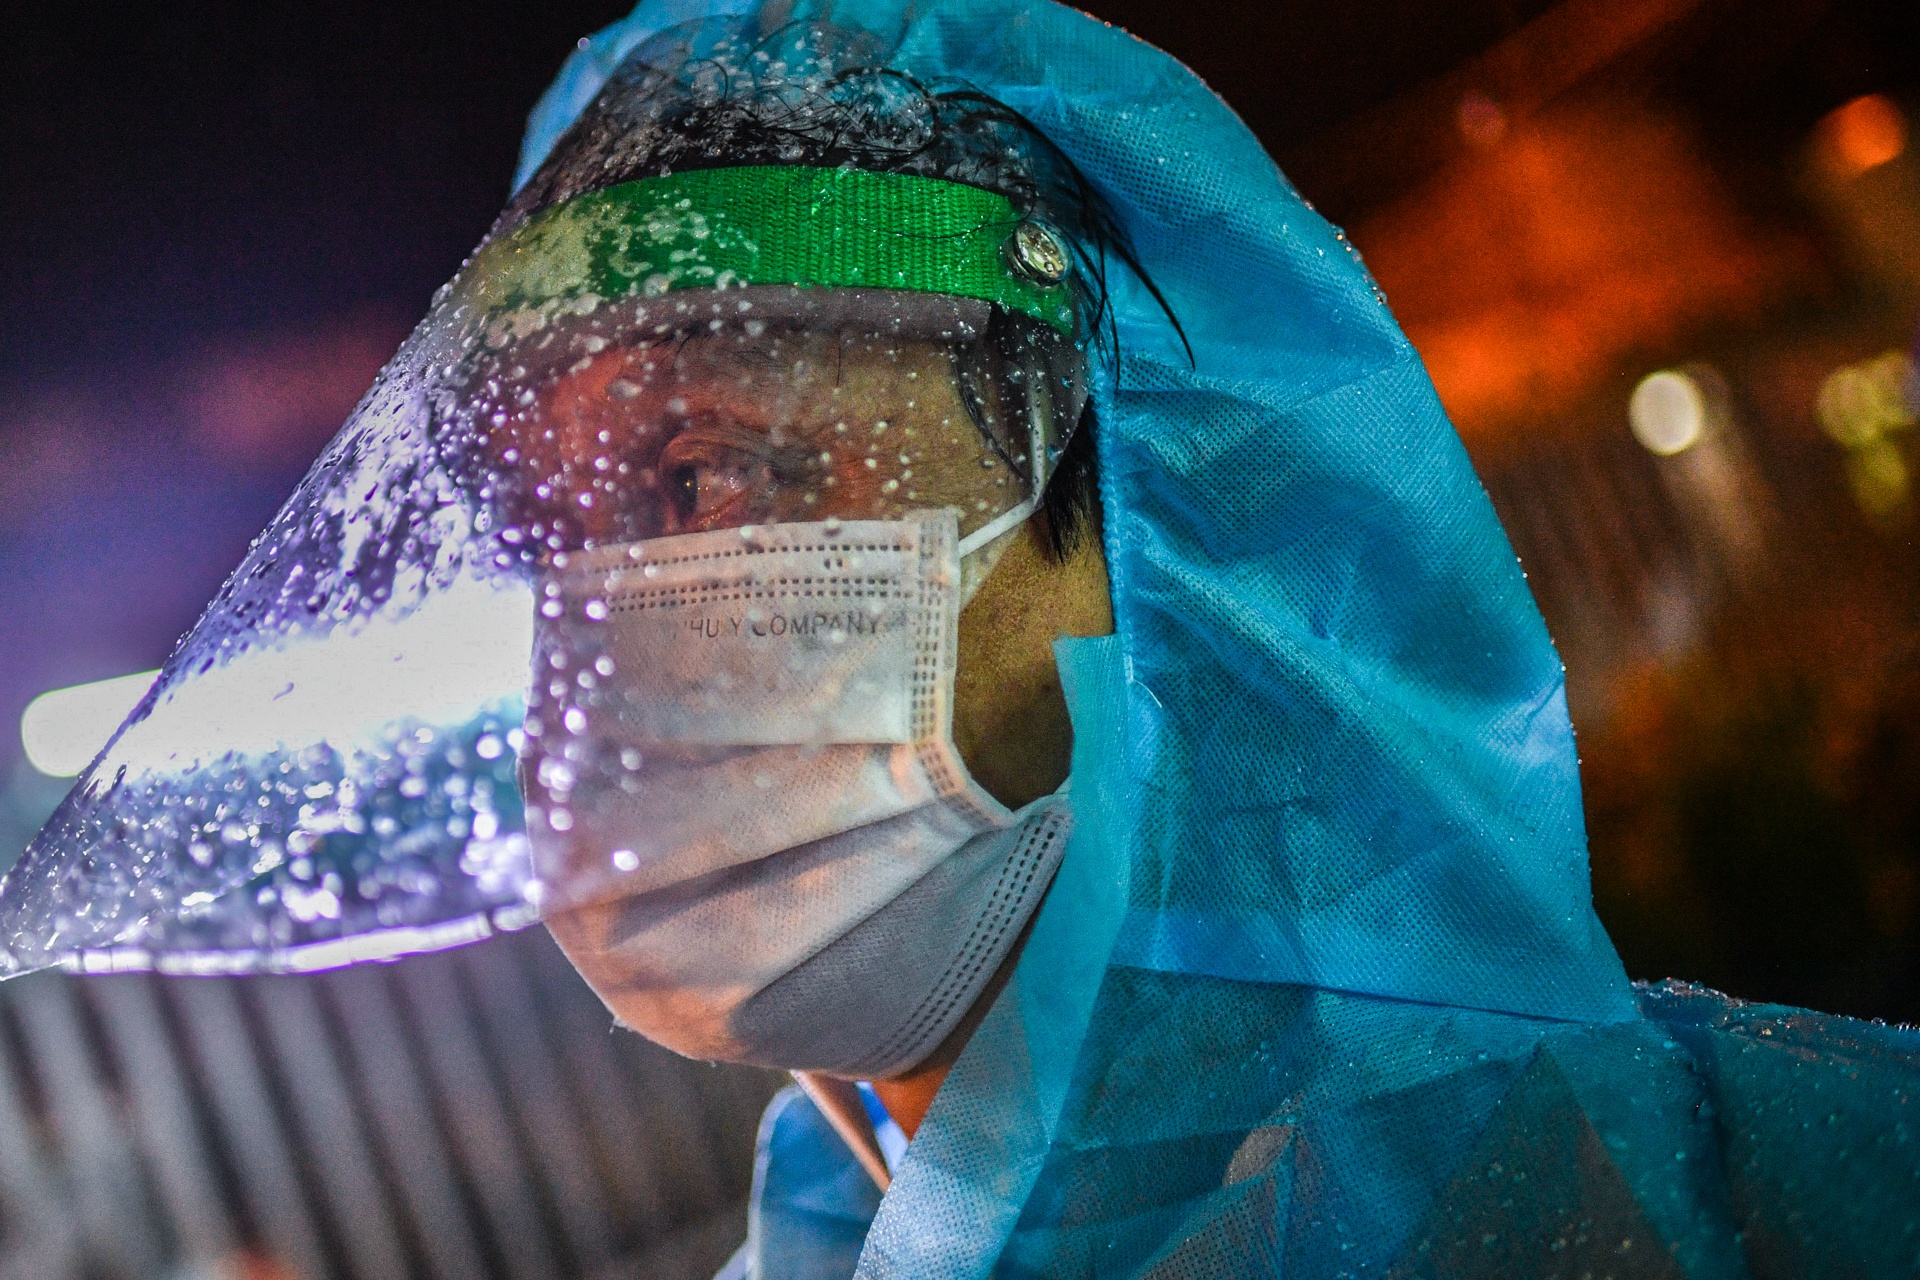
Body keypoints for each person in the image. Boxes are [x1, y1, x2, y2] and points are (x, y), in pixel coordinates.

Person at [3, 2, 1914, 1277]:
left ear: (1138, 517)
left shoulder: (1776, 1207)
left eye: (700, 470)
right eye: (543, 537)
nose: (593, 625)